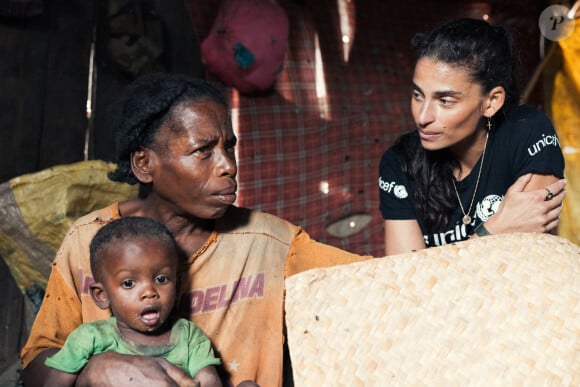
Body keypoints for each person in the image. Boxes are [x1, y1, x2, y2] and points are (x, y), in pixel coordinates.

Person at [20, 73, 372, 386]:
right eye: (203, 150)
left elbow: (381, 286)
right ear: (145, 164)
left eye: (229, 147)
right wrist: (96, 370)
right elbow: (36, 368)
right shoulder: (89, 240)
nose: (228, 166)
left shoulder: (272, 245)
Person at [378, 18, 566, 255]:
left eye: (445, 101)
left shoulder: (526, 131)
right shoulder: (399, 162)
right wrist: (493, 230)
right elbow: (407, 278)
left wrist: (443, 260)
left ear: (491, 102)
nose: (422, 117)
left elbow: (526, 256)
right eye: (418, 95)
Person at [43, 216, 223, 387]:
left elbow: (209, 380)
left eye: (161, 279)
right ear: (102, 295)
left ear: (176, 284)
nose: (149, 292)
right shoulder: (90, 338)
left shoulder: (189, 336)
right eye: (128, 283)